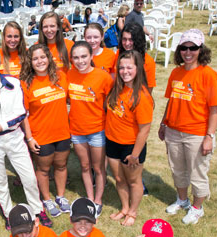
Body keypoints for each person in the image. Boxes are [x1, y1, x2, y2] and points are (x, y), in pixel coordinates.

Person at [0, 45, 48, 225]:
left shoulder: (14, 82)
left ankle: (37, 210)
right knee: (0, 181)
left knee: (28, 177)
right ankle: (9, 215)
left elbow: (20, 114)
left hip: (14, 137)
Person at [158, 29, 217, 225]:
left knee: (197, 172)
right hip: (174, 131)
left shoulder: (209, 75)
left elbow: (215, 109)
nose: (188, 52)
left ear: (200, 50)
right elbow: (171, 101)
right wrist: (163, 123)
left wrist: (209, 136)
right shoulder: (176, 72)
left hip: (197, 134)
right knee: (178, 169)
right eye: (184, 47)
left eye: (193, 48)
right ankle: (182, 200)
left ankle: (197, 208)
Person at [20, 44, 72, 218]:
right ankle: (47, 199)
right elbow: (24, 115)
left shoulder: (60, 76)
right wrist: (29, 138)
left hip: (62, 132)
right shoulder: (25, 84)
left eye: (43, 57)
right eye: (35, 58)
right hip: (41, 135)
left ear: (49, 58)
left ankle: (61, 196)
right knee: (43, 169)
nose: (40, 61)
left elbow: (69, 102)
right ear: (30, 62)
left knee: (61, 165)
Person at [105, 51, 153, 227]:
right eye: (122, 67)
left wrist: (134, 155)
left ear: (138, 68)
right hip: (112, 142)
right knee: (119, 179)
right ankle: (124, 208)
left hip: (131, 146)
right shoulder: (117, 88)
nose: (125, 71)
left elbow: (144, 130)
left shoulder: (141, 96)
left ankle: (133, 212)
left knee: (133, 180)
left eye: (129, 67)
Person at [67, 41, 113, 215]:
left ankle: (98, 200)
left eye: (84, 56)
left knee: (99, 168)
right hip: (77, 131)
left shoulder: (103, 77)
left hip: (97, 131)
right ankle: (89, 197)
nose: (80, 61)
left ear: (91, 56)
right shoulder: (69, 75)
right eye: (76, 57)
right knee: (85, 167)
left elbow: (112, 103)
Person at [112, 23, 156, 93]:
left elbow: (148, 90)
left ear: (138, 40)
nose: (127, 43)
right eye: (124, 39)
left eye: (131, 40)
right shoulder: (118, 54)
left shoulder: (148, 61)